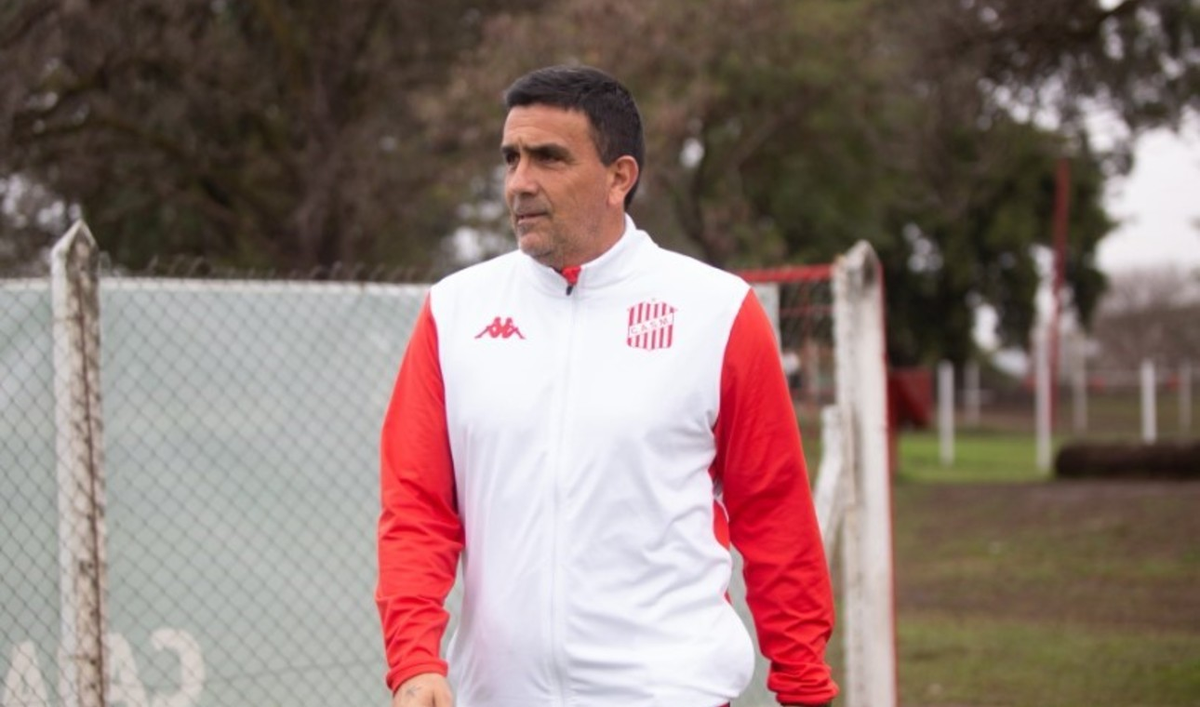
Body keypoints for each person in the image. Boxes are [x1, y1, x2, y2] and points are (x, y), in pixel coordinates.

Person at [376, 65, 838, 707]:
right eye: (511, 158)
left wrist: (804, 685)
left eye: (549, 158)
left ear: (620, 177)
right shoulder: (454, 310)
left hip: (670, 692)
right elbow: (416, 507)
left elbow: (774, 511)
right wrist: (414, 661)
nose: (520, 183)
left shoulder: (717, 310)